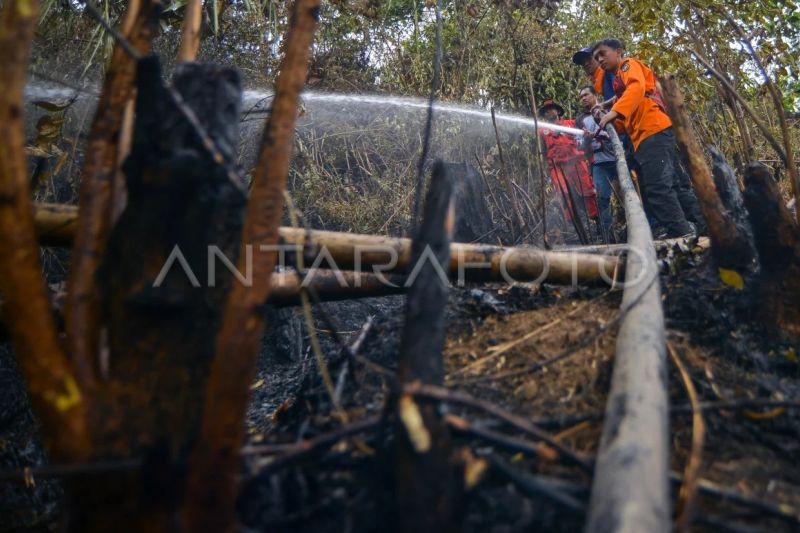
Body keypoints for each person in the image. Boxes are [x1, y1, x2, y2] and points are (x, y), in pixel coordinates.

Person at [592, 38, 704, 238]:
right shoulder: (620, 86)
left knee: (657, 188)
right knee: (675, 186)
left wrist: (613, 112)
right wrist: (606, 122)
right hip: (650, 133)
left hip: (652, 132)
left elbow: (637, 88)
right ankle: (705, 227)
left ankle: (681, 233)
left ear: (618, 52)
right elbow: (625, 121)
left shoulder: (628, 65)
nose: (600, 59)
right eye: (596, 57)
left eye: (603, 53)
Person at [538, 99, 599, 240]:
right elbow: (543, 152)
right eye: (546, 111)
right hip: (557, 167)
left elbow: (584, 141)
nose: (549, 112)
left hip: (577, 163)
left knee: (588, 192)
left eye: (551, 109)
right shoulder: (542, 131)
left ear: (558, 111)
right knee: (564, 195)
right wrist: (546, 170)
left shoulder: (572, 124)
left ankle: (598, 225)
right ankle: (573, 230)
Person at [577, 85, 618, 242]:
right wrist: (587, 139)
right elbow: (579, 145)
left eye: (586, 95)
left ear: (595, 95)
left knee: (629, 194)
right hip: (599, 163)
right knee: (602, 199)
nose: (584, 99)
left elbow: (619, 130)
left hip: (619, 158)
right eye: (581, 97)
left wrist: (605, 135)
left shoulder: (608, 109)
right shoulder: (580, 120)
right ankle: (609, 239)